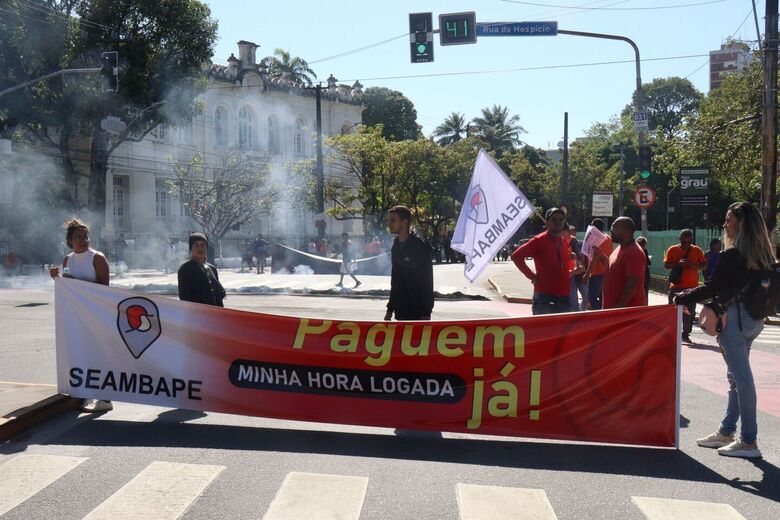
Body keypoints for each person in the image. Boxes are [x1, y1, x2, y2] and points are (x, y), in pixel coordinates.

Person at [674, 202, 777, 458]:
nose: (725, 225)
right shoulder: (764, 256)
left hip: (734, 320)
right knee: (736, 378)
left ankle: (748, 441)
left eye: (729, 220)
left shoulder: (733, 255)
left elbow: (713, 286)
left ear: (740, 224)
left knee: (742, 380)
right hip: (754, 321)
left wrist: (681, 297)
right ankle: (727, 430)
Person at [50, 218, 112, 413]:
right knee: (80, 354)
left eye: (86, 236)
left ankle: (105, 398)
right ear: (70, 240)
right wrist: (57, 278)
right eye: (78, 237)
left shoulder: (97, 258)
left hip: (96, 316)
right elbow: (68, 285)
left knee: (99, 356)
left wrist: (73, 282)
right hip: (77, 318)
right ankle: (84, 392)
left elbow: (104, 290)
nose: (84, 240)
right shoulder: (67, 260)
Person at [511, 207, 572, 315]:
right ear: (547, 223)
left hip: (564, 297)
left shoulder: (564, 242)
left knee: (563, 332)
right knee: (544, 331)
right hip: (545, 298)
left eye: (561, 219)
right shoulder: (538, 240)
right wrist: (532, 276)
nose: (558, 221)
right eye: (554, 219)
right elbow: (516, 256)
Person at [384, 205, 434, 321]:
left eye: (393, 220)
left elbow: (427, 281)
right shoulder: (396, 245)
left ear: (404, 222)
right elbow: (395, 279)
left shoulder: (419, 245)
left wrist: (426, 312)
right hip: (401, 310)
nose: (389, 224)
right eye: (389, 220)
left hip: (418, 312)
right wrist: (390, 309)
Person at [664, 229, 707, 343]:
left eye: (688, 242)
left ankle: (685, 333)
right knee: (673, 311)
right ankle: (672, 331)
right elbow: (666, 265)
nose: (686, 245)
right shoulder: (672, 250)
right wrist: (679, 263)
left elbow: (703, 265)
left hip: (691, 287)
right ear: (680, 240)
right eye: (684, 242)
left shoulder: (697, 250)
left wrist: (692, 265)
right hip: (676, 286)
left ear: (691, 240)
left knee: (689, 312)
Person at [600, 217, 647, 309]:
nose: (610, 230)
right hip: (614, 310)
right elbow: (614, 268)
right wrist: (600, 255)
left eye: (613, 227)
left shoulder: (634, 252)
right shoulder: (620, 248)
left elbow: (633, 282)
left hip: (625, 312)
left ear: (626, 230)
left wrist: (619, 307)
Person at [177, 232, 226, 307]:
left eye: (203, 245)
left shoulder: (212, 269)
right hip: (197, 315)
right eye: (196, 245)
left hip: (214, 315)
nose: (200, 248)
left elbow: (218, 296)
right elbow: (185, 298)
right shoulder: (185, 269)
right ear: (191, 249)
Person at [582, 218, 613, 311]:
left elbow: (595, 259)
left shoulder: (596, 239)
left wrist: (586, 275)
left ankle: (600, 316)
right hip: (606, 272)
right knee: (603, 298)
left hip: (596, 274)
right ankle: (604, 315)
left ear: (594, 227)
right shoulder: (608, 238)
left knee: (592, 299)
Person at [566, 225, 588, 311]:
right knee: (573, 299)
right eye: (569, 233)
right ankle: (576, 314)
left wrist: (586, 271)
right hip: (571, 275)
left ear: (575, 233)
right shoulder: (563, 243)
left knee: (586, 298)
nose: (570, 235)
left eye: (572, 233)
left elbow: (584, 258)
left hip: (580, 275)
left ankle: (581, 312)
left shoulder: (580, 243)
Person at [635, 236, 652, 300]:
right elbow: (648, 262)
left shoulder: (634, 250)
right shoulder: (644, 251)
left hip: (637, 273)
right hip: (644, 273)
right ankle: (645, 306)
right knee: (645, 291)